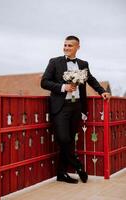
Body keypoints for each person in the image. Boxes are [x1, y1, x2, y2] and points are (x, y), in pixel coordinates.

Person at [41, 35, 110, 184]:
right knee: (63, 139)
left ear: (78, 47)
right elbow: (44, 82)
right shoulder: (54, 62)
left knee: (70, 141)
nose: (66, 48)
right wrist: (63, 87)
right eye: (65, 45)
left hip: (77, 106)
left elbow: (90, 79)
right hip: (60, 107)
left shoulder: (84, 64)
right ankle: (78, 167)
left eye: (70, 46)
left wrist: (101, 91)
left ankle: (61, 174)